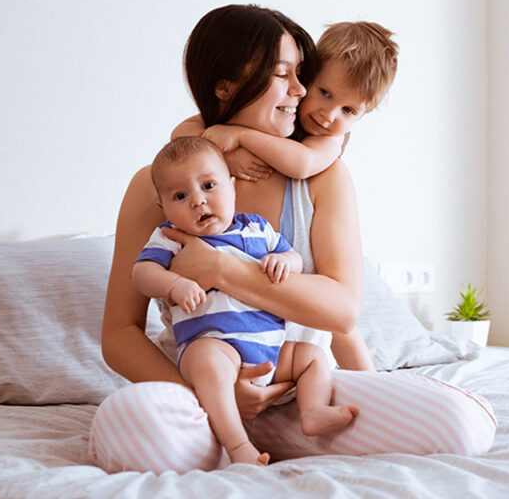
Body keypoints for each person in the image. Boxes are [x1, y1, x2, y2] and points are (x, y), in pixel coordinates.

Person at [89, 4, 496, 474]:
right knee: (126, 424)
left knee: (459, 423)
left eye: (302, 74)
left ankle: (271, 443)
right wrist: (209, 397)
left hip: (304, 393)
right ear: (225, 87)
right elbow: (119, 334)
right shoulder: (158, 185)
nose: (301, 92)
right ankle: (230, 440)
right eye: (284, 75)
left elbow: (343, 308)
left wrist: (223, 269)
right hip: (200, 395)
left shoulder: (322, 176)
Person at [171, 20, 399, 371]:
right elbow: (181, 133)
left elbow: (301, 163)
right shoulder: (178, 177)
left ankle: (377, 390)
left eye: (349, 111)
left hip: (304, 349)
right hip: (214, 360)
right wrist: (222, 153)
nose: (328, 114)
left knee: (342, 332)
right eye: (323, 93)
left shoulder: (325, 152)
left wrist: (239, 137)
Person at [134, 136, 357, 466]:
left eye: (209, 185)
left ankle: (313, 412)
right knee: (209, 364)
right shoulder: (170, 237)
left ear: (232, 187)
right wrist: (174, 284)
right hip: (213, 343)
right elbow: (142, 274)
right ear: (163, 208)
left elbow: (291, 255)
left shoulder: (257, 228)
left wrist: (286, 263)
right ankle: (238, 446)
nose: (198, 201)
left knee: (311, 356)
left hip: (270, 350)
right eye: (180, 196)